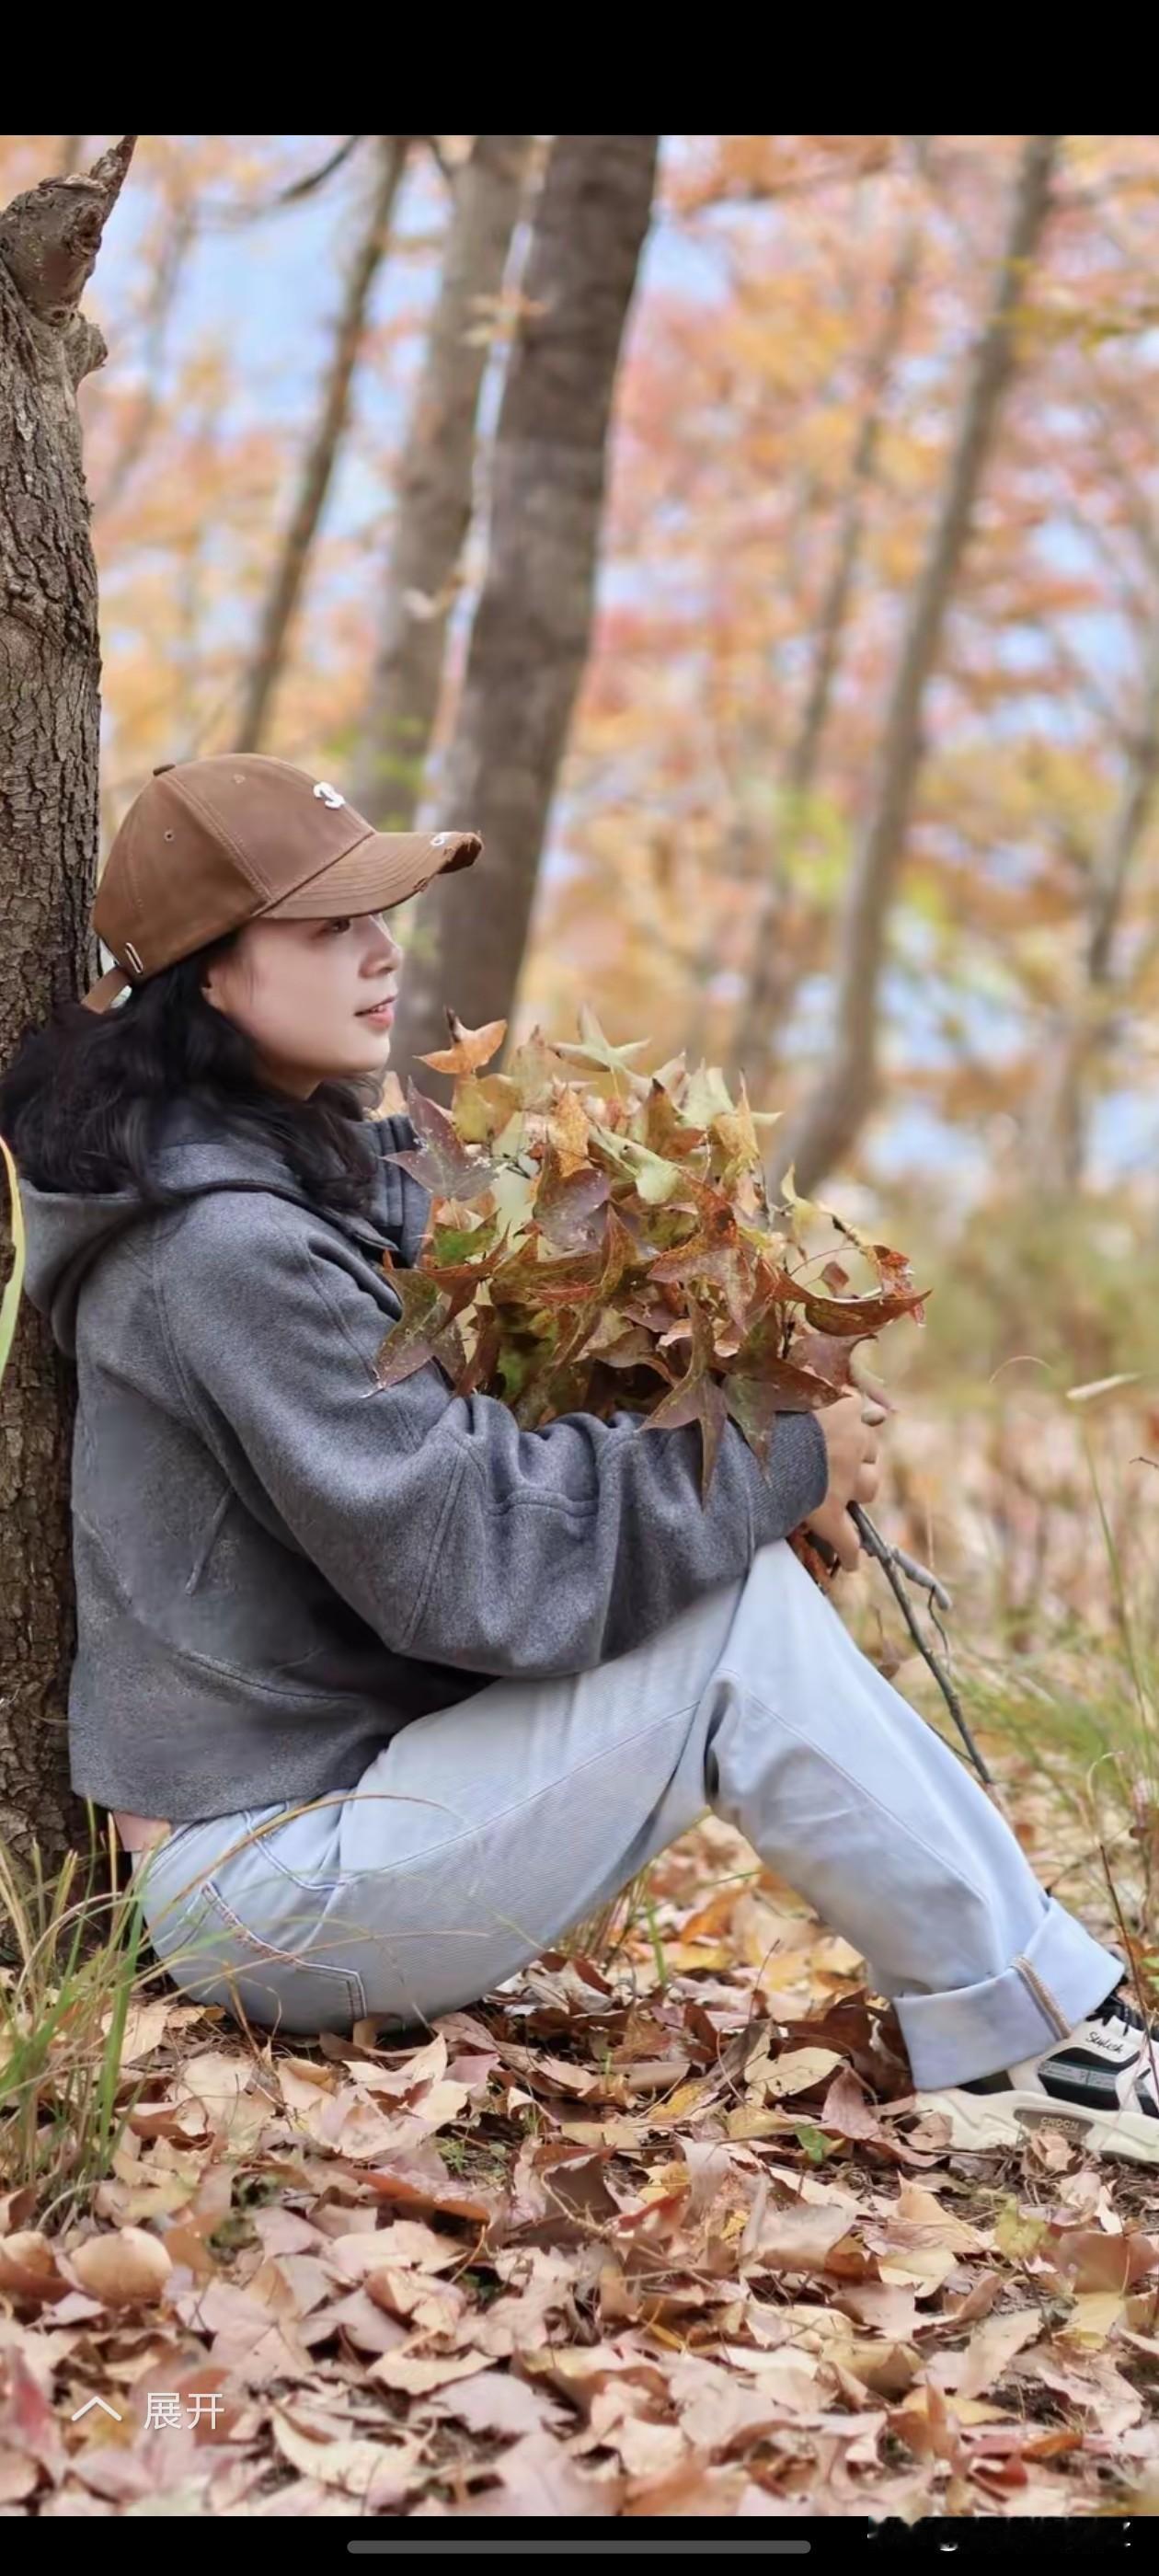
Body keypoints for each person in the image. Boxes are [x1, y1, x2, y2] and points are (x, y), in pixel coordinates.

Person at [3, 754, 1154, 2168]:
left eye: (380, 914)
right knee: (732, 1626)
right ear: (212, 976)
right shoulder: (224, 1249)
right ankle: (1046, 2038)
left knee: (735, 1596)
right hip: (269, 1882)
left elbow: (471, 1458)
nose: (382, 950)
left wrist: (734, 1421)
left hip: (343, 1805)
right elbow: (467, 1558)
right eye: (329, 926)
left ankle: (1045, 2013)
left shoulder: (280, 1184)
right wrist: (776, 1460)